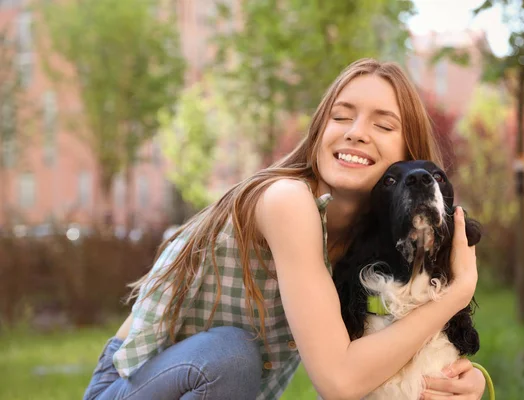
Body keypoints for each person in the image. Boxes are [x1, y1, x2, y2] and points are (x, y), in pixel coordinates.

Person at [83, 58, 485, 400]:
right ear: (318, 131)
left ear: (407, 156)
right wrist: (456, 294)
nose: (356, 132)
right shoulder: (288, 201)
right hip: (127, 384)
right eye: (341, 116)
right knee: (233, 355)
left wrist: (473, 379)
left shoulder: (369, 244)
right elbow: (340, 379)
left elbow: (391, 346)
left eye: (383, 126)